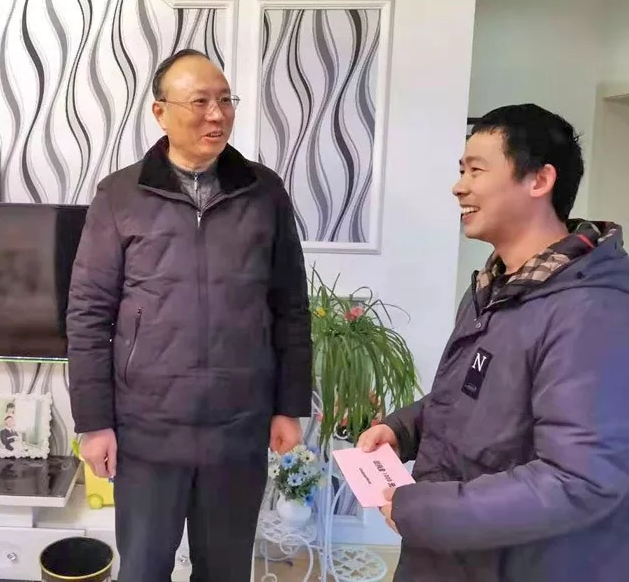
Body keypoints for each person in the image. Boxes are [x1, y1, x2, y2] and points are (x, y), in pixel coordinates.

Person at [66, 48, 313, 582]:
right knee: (143, 569)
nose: (217, 115)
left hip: (238, 427)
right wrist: (94, 422)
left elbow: (291, 305)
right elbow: (88, 314)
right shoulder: (120, 195)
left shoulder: (264, 191)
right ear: (161, 112)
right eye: (200, 102)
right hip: (148, 428)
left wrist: (288, 406)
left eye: (225, 101)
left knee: (225, 571)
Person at [358, 103, 629, 581]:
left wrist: (427, 512)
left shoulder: (591, 310)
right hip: (451, 560)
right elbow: (474, 397)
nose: (459, 186)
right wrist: (403, 429)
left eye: (476, 170)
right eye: (461, 170)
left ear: (539, 180)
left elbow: (579, 480)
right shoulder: (494, 287)